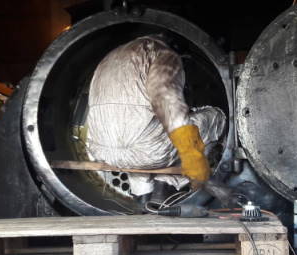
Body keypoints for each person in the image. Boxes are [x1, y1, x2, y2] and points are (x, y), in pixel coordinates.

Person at [85, 34, 226, 201]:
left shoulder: (109, 57)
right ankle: (166, 183)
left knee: (139, 133)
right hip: (147, 151)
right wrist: (192, 156)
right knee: (216, 117)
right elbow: (167, 103)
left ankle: (142, 194)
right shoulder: (164, 55)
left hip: (101, 151)